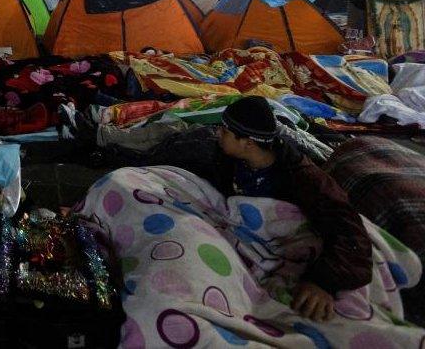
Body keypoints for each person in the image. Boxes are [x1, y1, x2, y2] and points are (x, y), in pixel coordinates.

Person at [61, 96, 372, 322]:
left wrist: (324, 281)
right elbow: (179, 171)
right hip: (226, 220)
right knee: (124, 184)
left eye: (225, 131)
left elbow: (349, 231)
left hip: (277, 244)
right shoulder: (227, 158)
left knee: (183, 271)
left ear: (248, 141)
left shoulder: (304, 178)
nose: (217, 134)